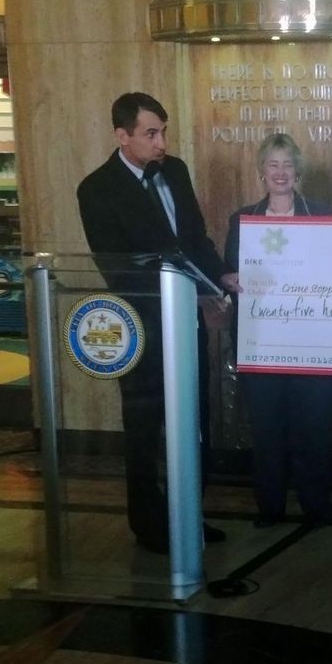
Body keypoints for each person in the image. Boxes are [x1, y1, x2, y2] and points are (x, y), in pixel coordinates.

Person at [77, 91, 240, 554]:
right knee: (145, 430)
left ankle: (188, 517)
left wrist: (219, 277)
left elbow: (195, 240)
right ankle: (149, 526)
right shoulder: (96, 189)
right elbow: (115, 268)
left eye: (163, 132)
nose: (161, 143)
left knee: (194, 422)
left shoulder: (176, 171)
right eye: (150, 134)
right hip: (143, 329)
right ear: (122, 135)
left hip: (188, 322)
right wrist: (173, 289)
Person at [224, 133, 332, 526]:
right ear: (262, 171)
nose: (281, 172)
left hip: (312, 341)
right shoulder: (243, 219)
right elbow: (230, 273)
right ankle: (269, 507)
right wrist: (230, 279)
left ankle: (315, 506)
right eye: (273, 164)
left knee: (313, 427)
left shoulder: (321, 215)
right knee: (267, 429)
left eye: (288, 164)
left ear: (297, 170)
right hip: (261, 342)